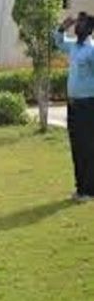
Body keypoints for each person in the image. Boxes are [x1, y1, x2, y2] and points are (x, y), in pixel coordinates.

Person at [53, 12, 94, 202]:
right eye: (78, 22)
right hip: (74, 106)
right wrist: (62, 27)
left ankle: (89, 191)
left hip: (88, 105)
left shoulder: (91, 51)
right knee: (77, 147)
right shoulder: (74, 47)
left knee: (87, 147)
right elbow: (58, 42)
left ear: (89, 29)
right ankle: (80, 189)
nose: (78, 26)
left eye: (82, 23)